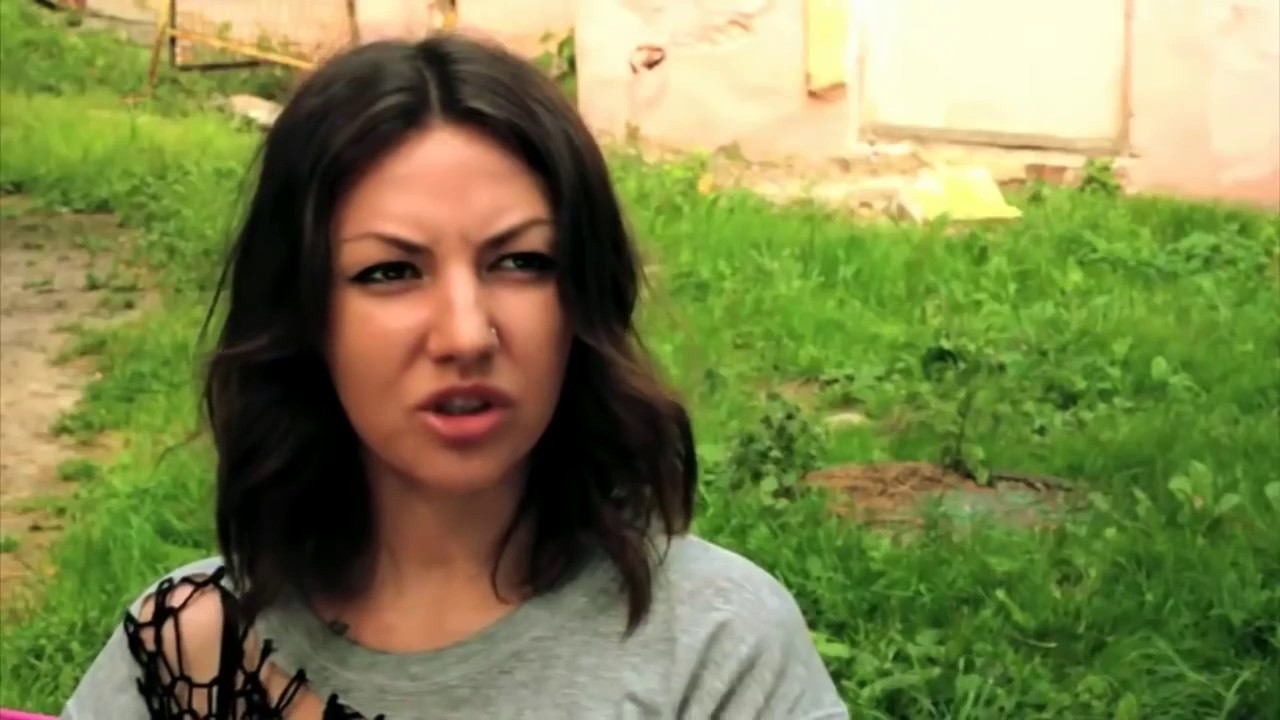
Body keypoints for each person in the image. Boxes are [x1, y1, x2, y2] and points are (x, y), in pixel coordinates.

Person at [59, 32, 849, 720]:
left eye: (521, 262)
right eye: (390, 271)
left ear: (581, 298)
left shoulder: (716, 647)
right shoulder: (190, 657)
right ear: (303, 313)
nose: (467, 334)